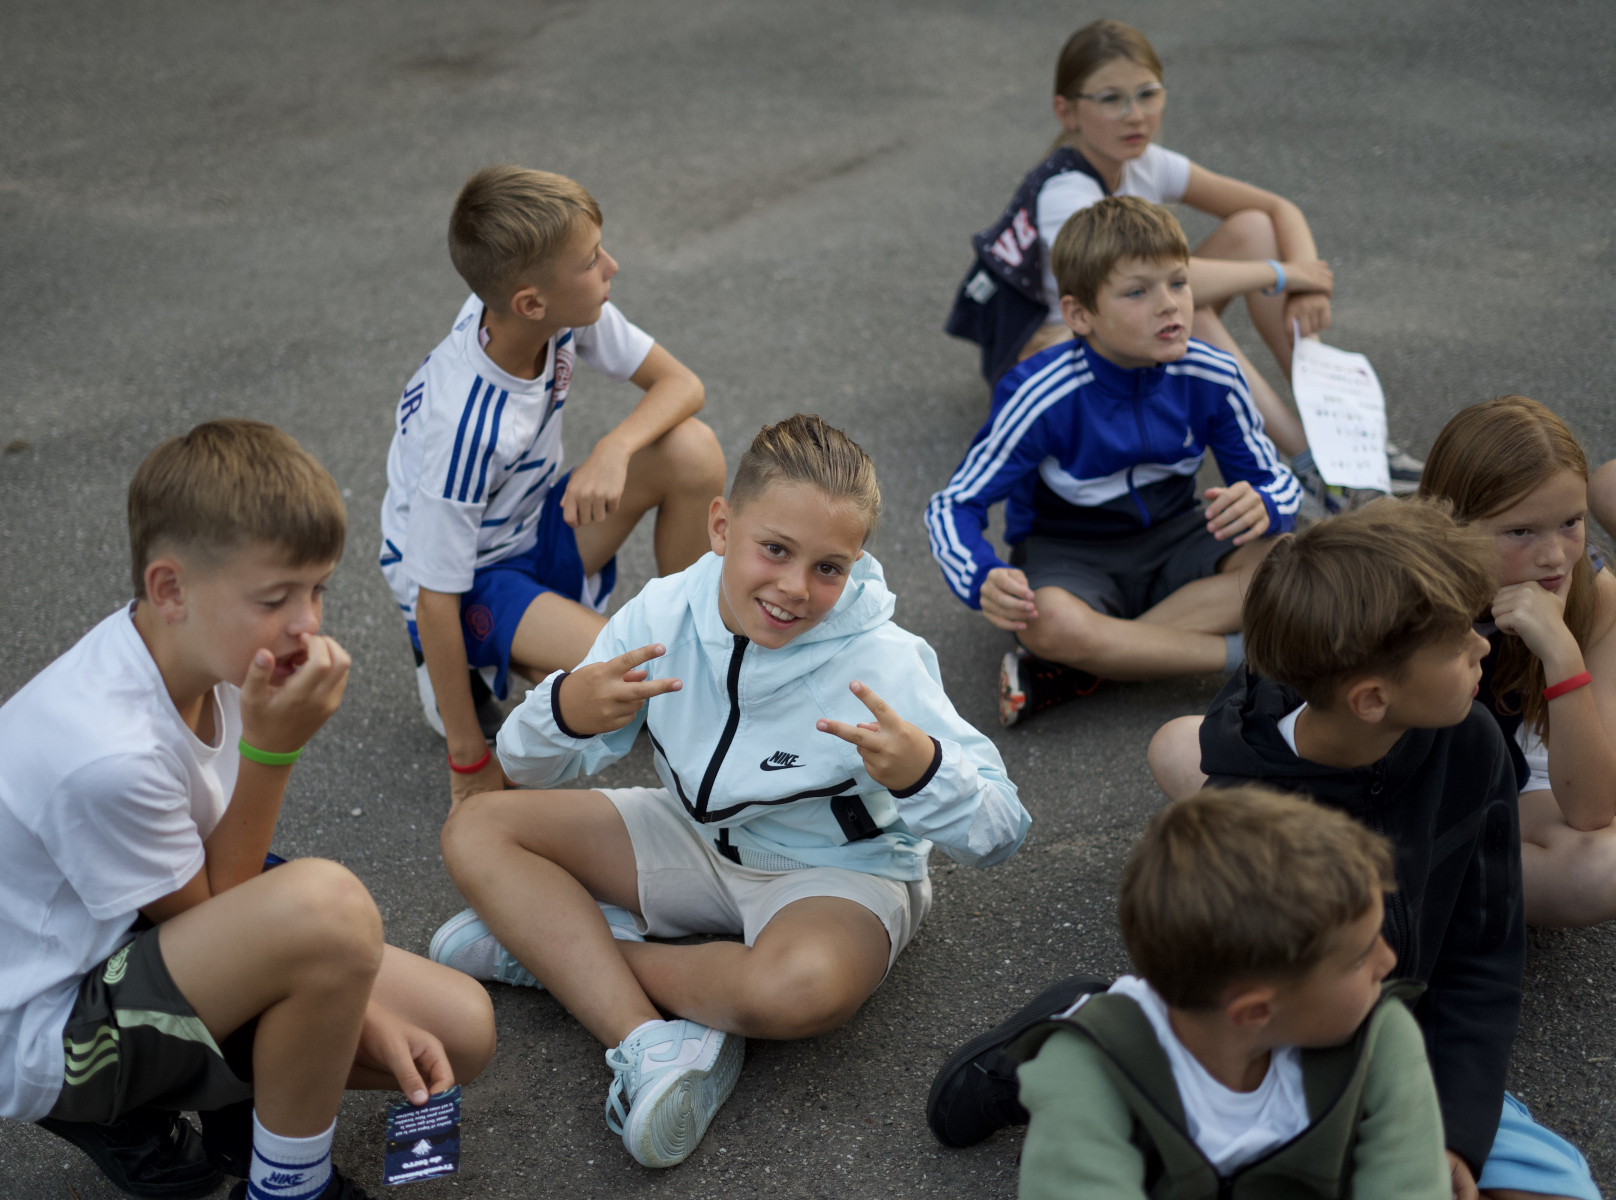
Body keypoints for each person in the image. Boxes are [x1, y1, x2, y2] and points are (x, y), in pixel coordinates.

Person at [433, 415, 1032, 1168]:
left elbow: (1002, 827)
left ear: (856, 565)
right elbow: (526, 764)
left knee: (803, 990)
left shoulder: (884, 660)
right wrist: (566, 710)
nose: (794, 588)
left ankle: (561, 955)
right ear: (721, 525)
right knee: (478, 827)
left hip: (836, 875)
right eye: (774, 549)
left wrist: (924, 770)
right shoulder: (663, 612)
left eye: (829, 567)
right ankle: (648, 1037)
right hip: (692, 837)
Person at [0, 421, 497, 1200]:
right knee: (327, 912)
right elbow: (216, 915)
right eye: (275, 598)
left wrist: (340, 1001)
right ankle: (285, 1185)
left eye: (317, 589)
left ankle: (238, 1114)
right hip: (40, 1029)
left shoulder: (202, 653)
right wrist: (273, 752)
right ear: (169, 590)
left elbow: (216, 895)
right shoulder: (108, 754)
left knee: (459, 1031)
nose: (308, 623)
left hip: (135, 923)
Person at [1146, 499, 1599, 1200]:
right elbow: (1243, 1036)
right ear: (1371, 700)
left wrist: (1454, 1138)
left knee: (1561, 1187)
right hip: (1290, 1074)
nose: (1482, 646)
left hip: (1415, 1058)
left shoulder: (1470, 741)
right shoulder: (1250, 821)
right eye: (1457, 643)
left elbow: (1482, 959)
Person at [943, 18, 1423, 507]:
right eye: (1110, 99)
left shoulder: (1143, 160)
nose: (1135, 115)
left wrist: (1306, 283)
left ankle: (1341, 438)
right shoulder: (1066, 192)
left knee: (1252, 230)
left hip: (1119, 317)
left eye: (1147, 94)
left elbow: (1277, 209)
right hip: (1053, 348)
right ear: (1066, 111)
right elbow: (1130, 285)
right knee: (1181, 309)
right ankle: (1312, 466)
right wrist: (1282, 274)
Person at [379, 164, 726, 810]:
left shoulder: (554, 313)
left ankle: (699, 642)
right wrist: (468, 759)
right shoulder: (463, 427)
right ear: (531, 303)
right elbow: (434, 597)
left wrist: (614, 448)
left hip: (533, 522)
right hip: (472, 578)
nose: (612, 266)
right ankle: (466, 665)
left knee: (691, 449)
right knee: (644, 687)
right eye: (592, 260)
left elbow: (684, 385)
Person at [926, 786, 1448, 1200]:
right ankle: (1038, 1050)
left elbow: (1409, 1186)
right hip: (1111, 1069)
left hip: (1197, 1028)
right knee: (1071, 1080)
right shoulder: (1089, 1076)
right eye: (1359, 958)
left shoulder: (1381, 1036)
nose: (1390, 961)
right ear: (1256, 1011)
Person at [925, 195, 1300, 724]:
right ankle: (1244, 656)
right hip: (1071, 555)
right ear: (1080, 314)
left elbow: (1274, 480)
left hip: (1177, 537)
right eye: (1137, 292)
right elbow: (954, 504)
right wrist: (981, 575)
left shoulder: (1214, 374)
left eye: (1179, 282)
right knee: (1044, 618)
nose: (1169, 305)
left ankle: (1082, 666)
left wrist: (1264, 501)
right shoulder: (1040, 393)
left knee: (1289, 561)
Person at [1415, 397, 1616, 926]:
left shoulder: (1596, 595)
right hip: (1398, 794)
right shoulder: (1403, 584)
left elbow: (1592, 810)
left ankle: (1409, 896)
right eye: (1520, 532)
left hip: (1501, 795)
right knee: (1197, 760)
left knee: (1604, 868)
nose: (1554, 557)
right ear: (1452, 525)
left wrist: (1561, 652)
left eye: (1571, 522)